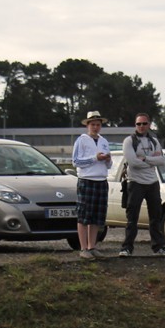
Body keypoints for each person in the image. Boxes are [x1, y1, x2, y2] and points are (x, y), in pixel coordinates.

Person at [120, 113, 165, 257]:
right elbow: (133, 162)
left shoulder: (154, 141)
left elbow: (162, 161)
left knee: (156, 216)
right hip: (136, 183)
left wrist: (145, 158)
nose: (141, 126)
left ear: (149, 124)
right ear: (135, 125)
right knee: (132, 217)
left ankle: (158, 246)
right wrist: (150, 160)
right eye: (138, 124)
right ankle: (127, 247)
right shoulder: (129, 141)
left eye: (144, 123)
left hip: (153, 182)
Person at [71, 110, 111, 259]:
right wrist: (95, 158)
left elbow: (109, 165)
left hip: (101, 180)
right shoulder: (81, 141)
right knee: (84, 215)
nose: (95, 127)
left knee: (96, 216)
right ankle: (83, 248)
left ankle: (92, 246)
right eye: (93, 124)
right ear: (88, 125)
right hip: (87, 180)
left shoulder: (104, 141)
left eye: (98, 124)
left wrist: (107, 160)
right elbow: (76, 161)